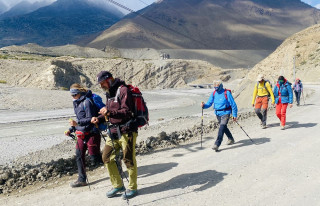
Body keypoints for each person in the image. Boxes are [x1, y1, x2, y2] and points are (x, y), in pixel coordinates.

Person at [91, 71, 138, 199]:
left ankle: (132, 188)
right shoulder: (109, 93)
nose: (101, 86)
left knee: (128, 159)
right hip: (113, 131)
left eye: (102, 83)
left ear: (109, 80)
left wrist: (109, 112)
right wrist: (99, 118)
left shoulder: (123, 91)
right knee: (106, 157)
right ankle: (118, 185)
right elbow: (108, 112)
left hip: (127, 131)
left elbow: (126, 111)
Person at [65, 83, 102, 187]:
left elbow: (91, 119)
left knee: (96, 158)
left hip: (91, 133)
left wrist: (77, 124)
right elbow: (79, 119)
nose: (72, 97)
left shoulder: (87, 102)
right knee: (79, 155)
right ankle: (82, 179)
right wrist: (71, 129)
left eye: (74, 95)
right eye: (71, 95)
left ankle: (116, 167)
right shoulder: (76, 103)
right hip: (81, 133)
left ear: (79, 93)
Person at [201, 80, 238, 151]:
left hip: (226, 112)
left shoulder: (226, 93)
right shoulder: (214, 93)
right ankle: (231, 139)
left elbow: (233, 104)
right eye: (214, 87)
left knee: (222, 127)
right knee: (223, 127)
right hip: (218, 113)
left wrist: (234, 115)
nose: (215, 88)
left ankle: (217, 144)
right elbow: (209, 103)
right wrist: (204, 106)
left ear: (220, 86)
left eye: (217, 87)